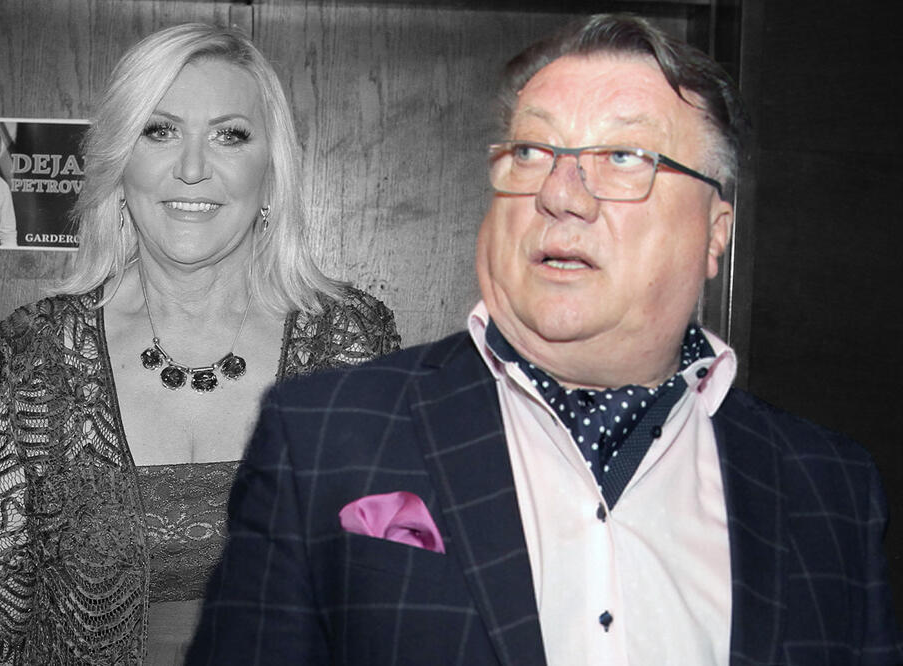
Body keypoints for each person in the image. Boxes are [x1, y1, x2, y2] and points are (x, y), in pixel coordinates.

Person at [187, 13, 903, 665]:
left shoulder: (829, 486)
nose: (560, 193)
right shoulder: (322, 435)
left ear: (715, 233)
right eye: (531, 151)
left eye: (623, 156)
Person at [0, 23, 400, 666]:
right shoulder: (39, 353)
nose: (193, 168)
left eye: (230, 135)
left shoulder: (350, 344)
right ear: (120, 160)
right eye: (159, 130)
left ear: (272, 167)